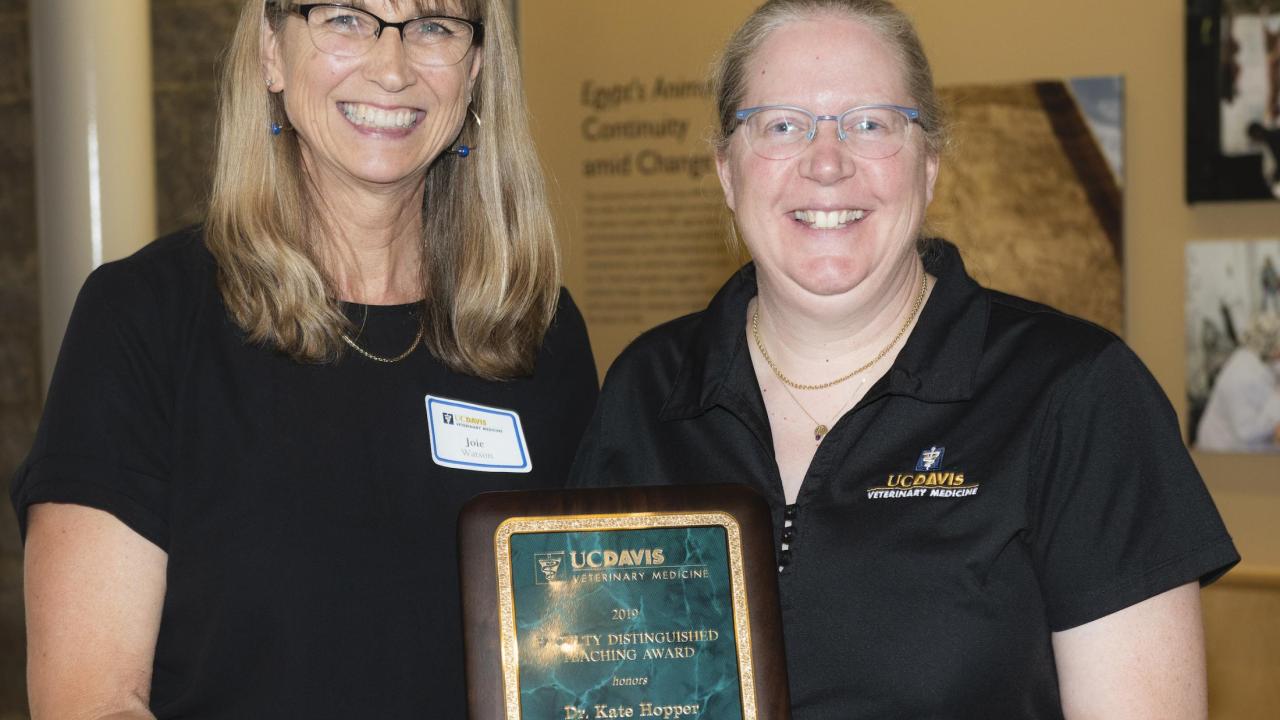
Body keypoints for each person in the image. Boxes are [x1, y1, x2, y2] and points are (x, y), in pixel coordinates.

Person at [569, 1, 1238, 717]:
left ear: (929, 166)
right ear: (727, 171)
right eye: (783, 125)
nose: (827, 162)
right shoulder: (646, 389)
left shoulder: (1076, 393)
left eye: (871, 123)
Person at [11, 1, 597, 717]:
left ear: (475, 70)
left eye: (434, 26)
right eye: (346, 18)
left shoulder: (538, 330)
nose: (392, 67)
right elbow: (91, 701)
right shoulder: (144, 317)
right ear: (270, 52)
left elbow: (580, 662)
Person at [1196, 312, 1280, 452]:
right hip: (1223, 454)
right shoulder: (1243, 375)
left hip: (1240, 447)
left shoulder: (1256, 358)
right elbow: (1246, 433)